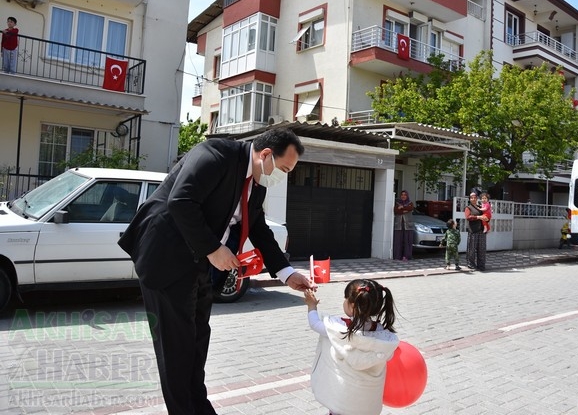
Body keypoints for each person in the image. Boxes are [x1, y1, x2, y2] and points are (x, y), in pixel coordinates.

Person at [118, 128, 316, 415]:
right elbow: (181, 201)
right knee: (177, 347)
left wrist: (286, 272)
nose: (282, 176)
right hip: (166, 258)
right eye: (284, 168)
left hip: (198, 263)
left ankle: (198, 407)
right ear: (265, 155)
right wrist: (213, 248)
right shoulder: (215, 154)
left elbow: (258, 227)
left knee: (197, 342)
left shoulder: (256, 182)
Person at [303, 279, 399, 415]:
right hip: (367, 405)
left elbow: (315, 324)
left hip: (343, 403)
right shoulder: (381, 333)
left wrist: (311, 306)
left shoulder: (339, 329)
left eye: (345, 298)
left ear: (352, 305)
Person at [464, 192, 488, 271]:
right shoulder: (468, 208)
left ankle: (481, 265)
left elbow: (486, 215)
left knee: (482, 249)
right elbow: (468, 217)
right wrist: (478, 217)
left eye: (475, 197)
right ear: (469, 199)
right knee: (472, 249)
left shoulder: (480, 207)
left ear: (477, 198)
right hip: (473, 231)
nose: (473, 199)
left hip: (481, 230)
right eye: (471, 198)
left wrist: (486, 218)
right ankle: (471, 264)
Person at [393, 190, 414, 260]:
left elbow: (410, 208)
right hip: (399, 225)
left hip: (408, 226)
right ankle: (397, 256)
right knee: (398, 241)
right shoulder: (397, 203)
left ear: (407, 196)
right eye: (402, 195)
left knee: (407, 241)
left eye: (405, 195)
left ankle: (406, 256)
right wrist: (403, 210)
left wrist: (402, 208)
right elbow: (396, 210)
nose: (403, 196)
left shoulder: (410, 203)